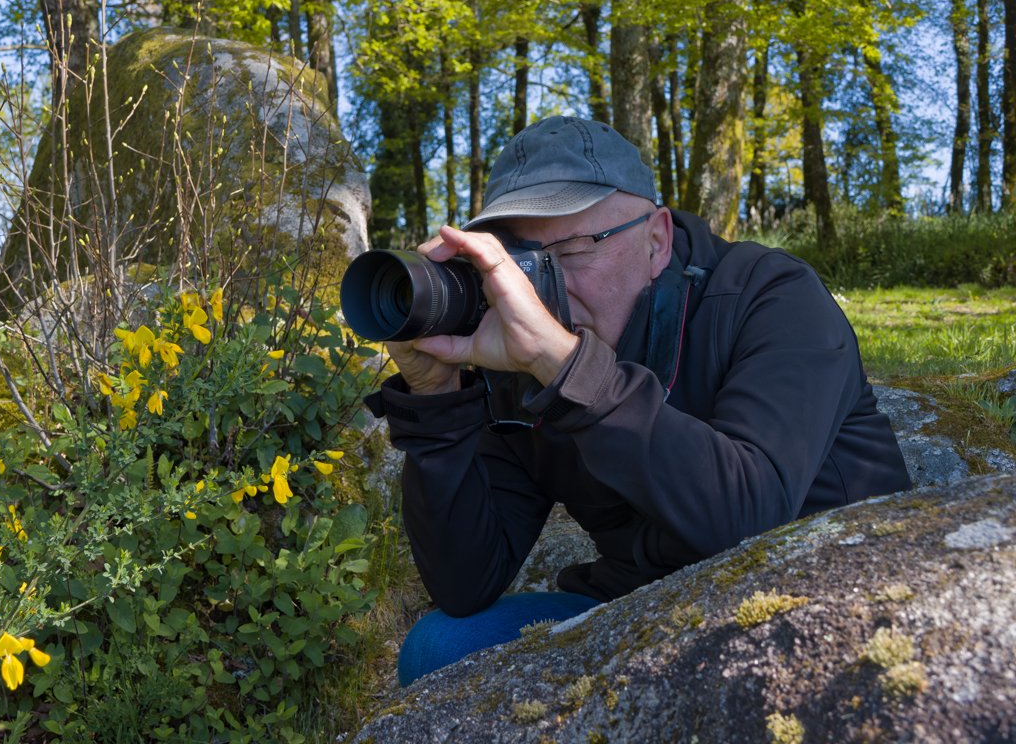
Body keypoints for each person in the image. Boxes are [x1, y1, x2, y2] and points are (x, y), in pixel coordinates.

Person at [362, 116, 910, 686]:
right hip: (646, 603)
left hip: (816, 595)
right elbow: (465, 583)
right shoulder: (522, 358)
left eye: (571, 249)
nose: (539, 290)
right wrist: (437, 398)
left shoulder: (769, 295)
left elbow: (750, 517)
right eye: (522, 259)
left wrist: (568, 371)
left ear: (657, 240)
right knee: (440, 649)